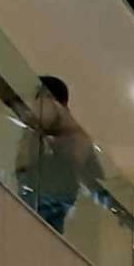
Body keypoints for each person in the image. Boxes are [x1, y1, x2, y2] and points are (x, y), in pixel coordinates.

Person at [14, 76, 97, 233]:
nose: (36, 105)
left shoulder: (65, 128)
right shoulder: (72, 132)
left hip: (45, 191)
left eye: (41, 97)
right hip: (50, 192)